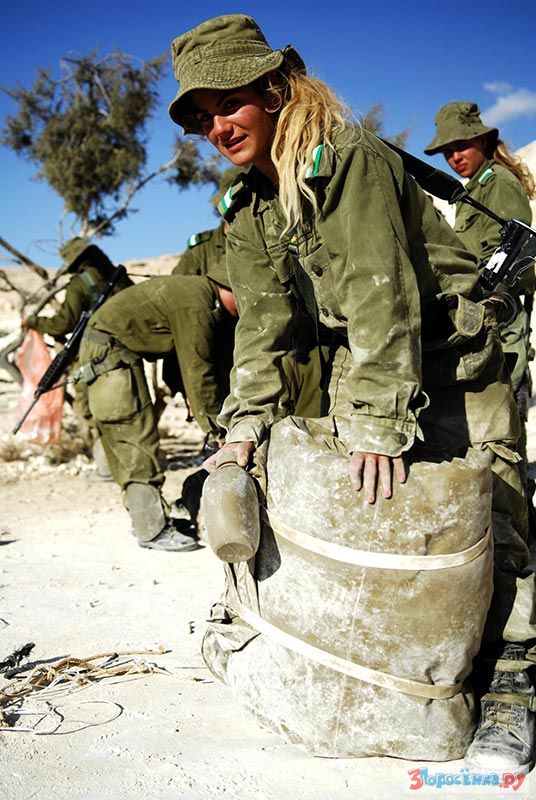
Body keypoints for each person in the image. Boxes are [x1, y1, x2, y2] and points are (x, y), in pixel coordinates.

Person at [168, 14, 535, 768]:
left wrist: (374, 421)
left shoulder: (348, 160)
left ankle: (513, 682)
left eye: (228, 104)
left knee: (494, 521)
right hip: (369, 365)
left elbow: (380, 293)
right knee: (386, 525)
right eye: (202, 118)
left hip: (455, 364)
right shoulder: (250, 208)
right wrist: (241, 429)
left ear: (273, 90)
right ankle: (417, 670)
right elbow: (263, 327)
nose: (217, 128)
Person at [425, 104, 536, 770]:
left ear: (486, 142)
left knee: (502, 489)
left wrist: (487, 305)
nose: (454, 157)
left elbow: (514, 261)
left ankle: (516, 672)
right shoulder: (474, 191)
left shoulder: (497, 187)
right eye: (447, 151)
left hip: (496, 349)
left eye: (462, 145)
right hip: (478, 348)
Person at [75, 260, 237, 551]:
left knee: (128, 441)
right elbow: (199, 371)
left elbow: (178, 361)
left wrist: (189, 397)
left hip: (107, 353)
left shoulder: (195, 293)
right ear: (228, 287)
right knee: (135, 441)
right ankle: (152, 530)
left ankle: (148, 520)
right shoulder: (197, 304)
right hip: (111, 357)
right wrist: (218, 430)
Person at [23, 237, 133, 477]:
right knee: (131, 411)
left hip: (92, 357)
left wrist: (35, 322)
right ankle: (133, 465)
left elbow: (63, 323)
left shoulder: (80, 284)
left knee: (92, 411)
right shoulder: (119, 278)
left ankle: (107, 469)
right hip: (129, 352)